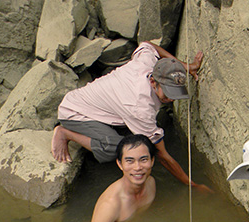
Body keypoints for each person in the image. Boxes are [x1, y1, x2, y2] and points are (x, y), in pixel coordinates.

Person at [51, 40, 211, 192]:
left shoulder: (146, 63)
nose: (171, 99)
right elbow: (162, 155)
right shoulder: (139, 106)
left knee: (137, 133)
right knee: (118, 148)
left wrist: (187, 67)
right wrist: (190, 184)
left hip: (95, 104)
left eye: (175, 94)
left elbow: (148, 45)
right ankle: (64, 133)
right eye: (168, 93)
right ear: (153, 81)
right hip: (74, 112)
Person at [79, 134, 157, 222]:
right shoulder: (111, 205)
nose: (138, 167)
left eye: (143, 160)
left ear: (152, 161)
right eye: (130, 161)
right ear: (120, 164)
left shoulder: (151, 183)